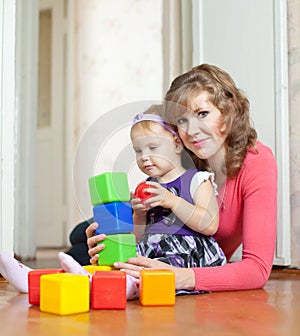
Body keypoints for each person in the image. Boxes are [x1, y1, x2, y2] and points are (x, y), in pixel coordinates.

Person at [87, 64, 278, 293]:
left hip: (187, 259)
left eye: (202, 114)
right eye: (181, 121)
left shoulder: (257, 162)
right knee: (86, 234)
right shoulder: (183, 160)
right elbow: (147, 231)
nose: (192, 131)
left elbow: (256, 270)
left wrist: (180, 277)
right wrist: (115, 241)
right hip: (156, 240)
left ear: (228, 114)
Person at [0, 105, 226, 298]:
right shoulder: (147, 184)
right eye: (138, 151)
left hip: (184, 255)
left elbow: (209, 224)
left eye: (153, 148)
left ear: (177, 145)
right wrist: (139, 215)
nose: (144, 157)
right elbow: (138, 237)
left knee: (139, 274)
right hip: (152, 249)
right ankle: (34, 280)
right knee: (116, 260)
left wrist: (171, 200)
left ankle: (105, 284)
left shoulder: (197, 179)